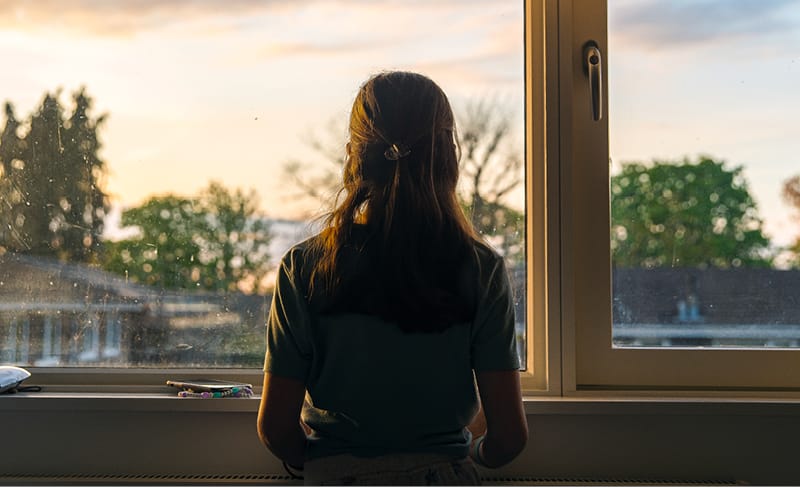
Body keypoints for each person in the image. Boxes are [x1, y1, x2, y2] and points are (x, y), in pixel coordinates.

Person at [257, 71, 527, 485]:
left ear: (353, 156)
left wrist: (317, 462)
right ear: (449, 157)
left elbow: (276, 429)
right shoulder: (480, 269)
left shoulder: (305, 267)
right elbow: (508, 439)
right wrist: (470, 450)